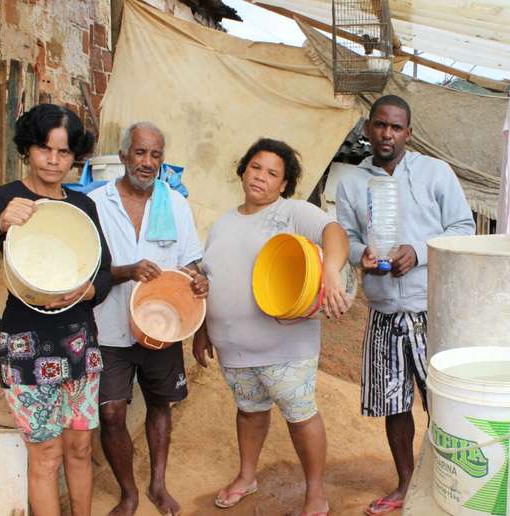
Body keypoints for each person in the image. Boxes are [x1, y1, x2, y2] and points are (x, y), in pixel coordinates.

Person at [0, 104, 112, 515]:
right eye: (44, 148)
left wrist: (87, 292)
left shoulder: (82, 207)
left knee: (80, 447)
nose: (54, 160)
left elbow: (103, 272)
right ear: (28, 149)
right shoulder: (2, 198)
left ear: (75, 157)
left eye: (65, 152)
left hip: (78, 343)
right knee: (47, 454)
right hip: (26, 346)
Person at [194, 138, 350, 516]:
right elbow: (209, 277)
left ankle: (316, 494)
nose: (261, 177)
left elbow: (335, 233)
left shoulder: (292, 212)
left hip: (285, 346)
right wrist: (202, 329)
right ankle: (247, 476)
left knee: (300, 415)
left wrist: (331, 269)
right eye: (255, 167)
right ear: (243, 170)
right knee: (249, 410)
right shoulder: (221, 224)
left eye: (272, 173)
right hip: (234, 348)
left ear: (284, 184)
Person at [336, 95, 475, 515]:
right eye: (379, 125)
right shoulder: (351, 182)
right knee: (394, 405)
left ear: (408, 134)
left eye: (396, 127)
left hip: (431, 310)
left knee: (442, 401)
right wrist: (360, 253)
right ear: (367, 129)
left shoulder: (435, 173)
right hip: (383, 312)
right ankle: (406, 483)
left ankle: (446, 479)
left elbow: (463, 227)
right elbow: (343, 237)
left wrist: (418, 251)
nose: (386, 134)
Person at [89, 122, 207, 516]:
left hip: (162, 323)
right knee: (110, 412)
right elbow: (90, 271)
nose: (147, 162)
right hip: (109, 326)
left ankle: (158, 484)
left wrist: (198, 278)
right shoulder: (97, 203)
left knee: (160, 403)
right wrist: (126, 271)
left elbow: (189, 262)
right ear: (123, 156)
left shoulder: (173, 203)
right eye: (140, 153)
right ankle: (129, 493)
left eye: (155, 155)